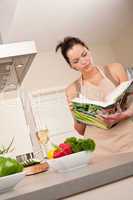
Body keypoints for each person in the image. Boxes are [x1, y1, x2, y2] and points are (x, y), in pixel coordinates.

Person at [56, 36, 133, 159]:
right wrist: (78, 115)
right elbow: (81, 130)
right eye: (76, 61)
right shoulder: (72, 90)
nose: (84, 61)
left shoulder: (115, 69)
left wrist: (124, 114)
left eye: (84, 54)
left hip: (128, 139)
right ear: (72, 66)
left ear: (88, 49)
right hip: (100, 149)